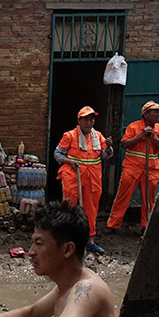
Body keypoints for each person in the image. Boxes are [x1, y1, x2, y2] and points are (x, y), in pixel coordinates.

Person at [54, 107, 113, 255]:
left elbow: (104, 156)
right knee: (70, 206)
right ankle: (68, 238)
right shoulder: (69, 136)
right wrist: (69, 161)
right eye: (86, 119)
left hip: (92, 176)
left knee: (91, 209)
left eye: (91, 119)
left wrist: (109, 147)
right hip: (73, 174)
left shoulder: (98, 136)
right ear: (79, 120)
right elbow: (57, 154)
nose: (89, 122)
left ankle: (89, 240)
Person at [106, 100, 159, 235]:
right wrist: (141, 136)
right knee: (122, 197)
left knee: (149, 199)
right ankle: (113, 224)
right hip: (132, 168)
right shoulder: (133, 127)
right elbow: (125, 144)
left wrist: (152, 137)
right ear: (146, 114)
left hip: (151, 169)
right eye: (156, 111)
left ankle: (145, 226)